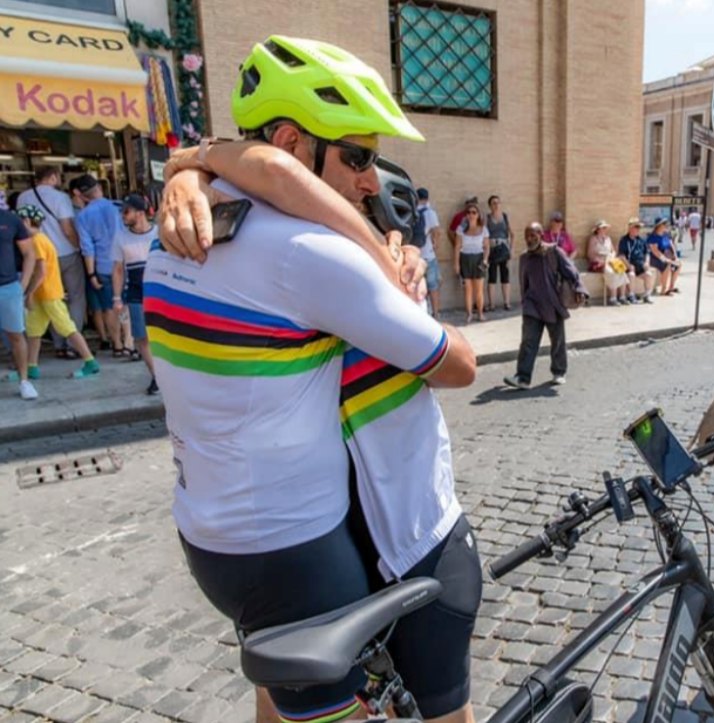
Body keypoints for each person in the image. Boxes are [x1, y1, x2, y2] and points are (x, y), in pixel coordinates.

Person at [147, 35, 478, 723]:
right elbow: (459, 365)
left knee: (280, 708)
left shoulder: (174, 230)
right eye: (356, 155)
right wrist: (388, 271)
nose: (369, 177)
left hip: (217, 540)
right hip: (333, 545)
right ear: (294, 143)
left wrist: (192, 166)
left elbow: (266, 177)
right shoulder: (309, 253)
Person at [13, 205, 99, 381]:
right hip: (43, 295)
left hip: (48, 294)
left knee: (67, 328)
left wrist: (29, 293)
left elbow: (41, 271)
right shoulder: (41, 239)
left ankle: (90, 362)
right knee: (34, 331)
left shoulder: (36, 241)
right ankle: (32, 366)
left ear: (27, 221)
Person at [504, 222, 587, 389]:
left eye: (533, 235)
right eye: (527, 236)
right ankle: (523, 378)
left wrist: (580, 288)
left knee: (557, 340)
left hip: (553, 304)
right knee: (528, 341)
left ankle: (559, 372)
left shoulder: (554, 251)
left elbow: (571, 270)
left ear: (541, 235)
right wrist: (525, 301)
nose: (529, 239)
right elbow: (523, 282)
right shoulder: (524, 257)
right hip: (532, 305)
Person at [16, 166, 85, 359]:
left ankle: (58, 344)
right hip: (65, 253)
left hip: (36, 254)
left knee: (49, 299)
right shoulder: (60, 197)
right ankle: (73, 343)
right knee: (75, 297)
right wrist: (78, 248)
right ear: (53, 177)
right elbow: (67, 229)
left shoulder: (23, 197)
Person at [71, 174, 124, 356]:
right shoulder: (117, 207)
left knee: (109, 307)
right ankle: (130, 343)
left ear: (82, 196)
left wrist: (91, 273)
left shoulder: (83, 216)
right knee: (127, 304)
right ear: (99, 188)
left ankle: (116, 344)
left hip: (102, 266)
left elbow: (87, 248)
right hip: (124, 263)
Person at [111, 194, 158, 394]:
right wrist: (116, 297)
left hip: (158, 290)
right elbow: (118, 269)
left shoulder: (159, 233)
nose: (123, 215)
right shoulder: (120, 237)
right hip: (136, 291)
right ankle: (157, 376)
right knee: (142, 337)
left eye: (127, 211)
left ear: (140, 213)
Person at [0, 205, 39, 399]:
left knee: (16, 335)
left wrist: (22, 285)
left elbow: (29, 253)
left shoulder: (10, 219)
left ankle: (24, 381)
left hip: (8, 287)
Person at [454, 200, 489, 322]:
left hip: (479, 259)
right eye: (468, 212)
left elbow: (486, 247)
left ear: (478, 214)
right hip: (465, 258)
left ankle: (480, 313)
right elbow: (457, 247)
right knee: (468, 289)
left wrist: (485, 260)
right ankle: (469, 314)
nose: (471, 215)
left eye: (474, 212)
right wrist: (456, 263)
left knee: (479, 289)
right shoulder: (460, 229)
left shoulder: (483, 229)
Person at [587, 220, 633, 305]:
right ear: (598, 229)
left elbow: (613, 251)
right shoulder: (593, 239)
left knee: (621, 271)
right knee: (611, 273)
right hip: (598, 263)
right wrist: (600, 259)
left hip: (610, 261)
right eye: (603, 228)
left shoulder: (608, 238)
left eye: (605, 228)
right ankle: (613, 298)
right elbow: (590, 254)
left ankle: (622, 297)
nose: (604, 229)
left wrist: (612, 256)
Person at [413, 187, 443, 317]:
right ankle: (436, 313)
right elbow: (437, 230)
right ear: (427, 198)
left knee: (418, 286)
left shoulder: (411, 212)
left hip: (415, 255)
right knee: (433, 286)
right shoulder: (430, 213)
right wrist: (436, 244)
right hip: (428, 255)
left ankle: (422, 314)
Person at [484, 195, 513, 311]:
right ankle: (492, 304)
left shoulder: (505, 217)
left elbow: (512, 233)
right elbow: (484, 235)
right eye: (493, 203)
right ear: (490, 206)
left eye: (498, 203)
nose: (496, 205)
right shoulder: (487, 218)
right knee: (492, 276)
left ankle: (507, 302)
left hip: (504, 248)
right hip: (492, 249)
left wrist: (511, 249)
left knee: (505, 276)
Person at [617, 218, 655, 303]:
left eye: (639, 227)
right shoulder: (624, 240)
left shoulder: (641, 240)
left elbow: (647, 253)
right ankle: (631, 295)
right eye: (636, 227)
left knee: (649, 274)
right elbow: (621, 256)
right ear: (630, 228)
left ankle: (647, 295)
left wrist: (646, 263)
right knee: (631, 274)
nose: (638, 229)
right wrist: (629, 266)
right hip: (629, 266)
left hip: (641, 266)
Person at [647, 217, 681, 295]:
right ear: (659, 226)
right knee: (667, 265)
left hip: (667, 255)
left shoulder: (666, 234)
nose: (666, 225)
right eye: (664, 224)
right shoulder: (653, 237)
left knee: (678, 264)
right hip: (656, 258)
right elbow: (655, 251)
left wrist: (675, 256)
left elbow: (671, 245)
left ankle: (671, 287)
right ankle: (664, 289)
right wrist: (665, 259)